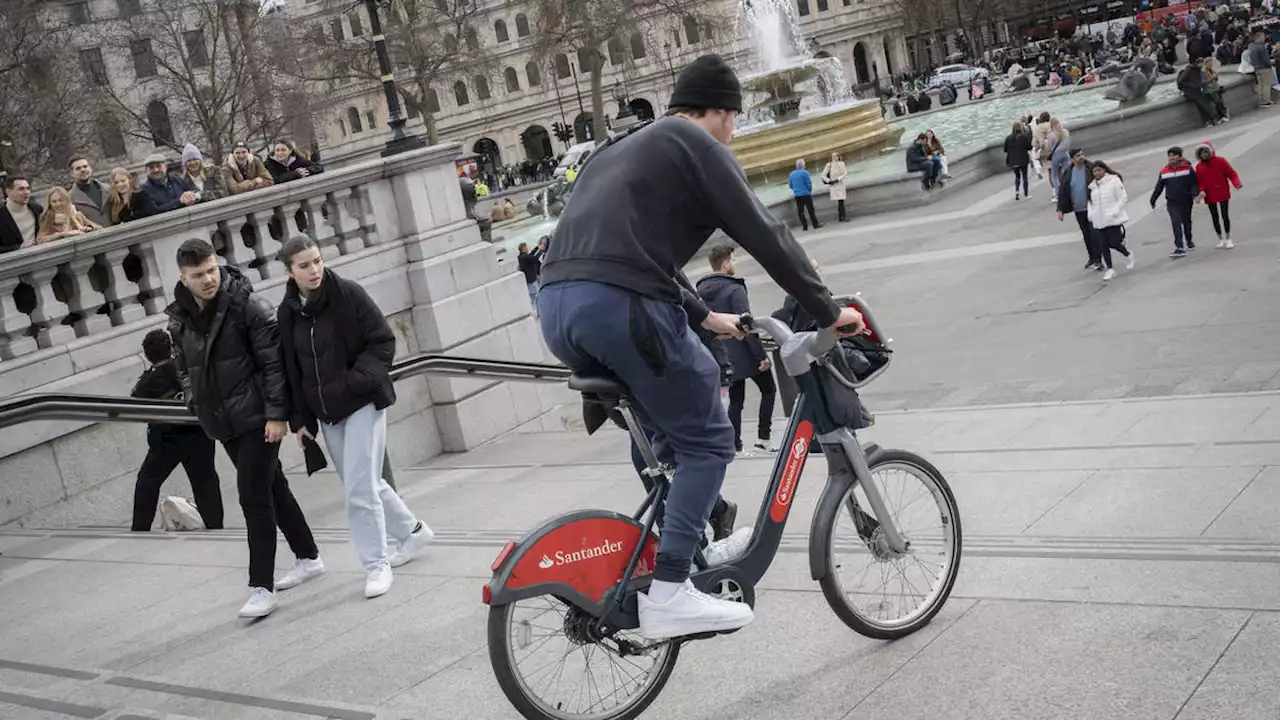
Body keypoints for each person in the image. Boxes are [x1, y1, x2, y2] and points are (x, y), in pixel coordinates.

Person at [535, 54, 865, 641]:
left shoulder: (619, 148)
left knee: (669, 442)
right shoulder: (696, 142)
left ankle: (692, 552)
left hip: (558, 309)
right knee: (712, 438)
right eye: (733, 120)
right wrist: (826, 310)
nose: (733, 134)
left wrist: (704, 314)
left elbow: (634, 250)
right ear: (716, 110)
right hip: (620, 308)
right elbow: (765, 232)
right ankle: (668, 592)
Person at [166, 239, 322, 619]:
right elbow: (184, 368)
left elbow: (274, 365)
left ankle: (261, 587)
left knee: (253, 496)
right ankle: (309, 556)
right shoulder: (179, 319)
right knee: (274, 488)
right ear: (183, 278)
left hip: (258, 418)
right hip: (223, 421)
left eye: (211, 271)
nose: (207, 280)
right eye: (197, 275)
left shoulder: (248, 305)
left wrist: (275, 414)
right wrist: (193, 399)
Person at [276, 237, 433, 600]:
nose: (314, 270)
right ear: (289, 271)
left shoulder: (347, 294)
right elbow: (291, 367)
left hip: (362, 403)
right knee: (366, 483)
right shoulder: (287, 311)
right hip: (328, 414)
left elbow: (382, 342)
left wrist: (354, 383)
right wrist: (300, 418)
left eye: (316, 261)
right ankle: (412, 533)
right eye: (304, 265)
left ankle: (376, 565)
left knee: (359, 490)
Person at [130, 329, 224, 532]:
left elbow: (135, 403)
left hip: (165, 441)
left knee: (148, 480)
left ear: (147, 355)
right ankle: (216, 526)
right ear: (171, 349)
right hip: (198, 435)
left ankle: (140, 528)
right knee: (205, 481)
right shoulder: (186, 370)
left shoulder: (147, 383)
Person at [695, 245, 778, 458]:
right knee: (768, 390)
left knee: (736, 400)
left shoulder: (700, 290)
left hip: (723, 352)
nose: (735, 263)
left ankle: (736, 445)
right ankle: (763, 439)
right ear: (725, 264)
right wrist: (761, 356)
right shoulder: (735, 289)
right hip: (745, 350)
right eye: (733, 260)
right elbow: (745, 324)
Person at [1150, 146, 1201, 259]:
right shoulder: (1164, 171)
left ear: (1180, 156)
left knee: (1186, 221)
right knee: (1176, 222)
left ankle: (1189, 240)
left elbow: (1194, 183)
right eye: (1169, 155)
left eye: (1174, 155)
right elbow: (1159, 187)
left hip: (1186, 200)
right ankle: (1179, 247)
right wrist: (1153, 199)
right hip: (1172, 202)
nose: (1171, 157)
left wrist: (1194, 195)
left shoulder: (1187, 169)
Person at [1087, 160, 1135, 281]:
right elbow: (1090, 202)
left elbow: (1123, 197)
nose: (1097, 173)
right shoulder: (1092, 186)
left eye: (1099, 170)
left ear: (1104, 170)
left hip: (1112, 218)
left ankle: (1128, 254)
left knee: (1114, 242)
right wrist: (1091, 214)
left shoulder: (1113, 181)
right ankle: (1110, 269)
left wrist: (1115, 211)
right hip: (1099, 219)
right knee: (1103, 245)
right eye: (1094, 171)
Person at [1056, 149, 1100, 269]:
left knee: (1094, 233)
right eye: (1078, 156)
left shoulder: (1090, 168)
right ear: (1072, 159)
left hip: (1091, 207)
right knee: (1086, 234)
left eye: (1082, 154)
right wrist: (1060, 209)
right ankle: (1092, 257)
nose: (1081, 157)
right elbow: (1063, 192)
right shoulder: (1068, 173)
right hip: (1078, 209)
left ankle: (1098, 259)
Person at [1193, 142, 1242, 249]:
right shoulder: (1199, 167)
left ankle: (1228, 238)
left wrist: (1236, 183)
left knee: (1225, 215)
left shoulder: (1220, 161)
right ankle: (1220, 239)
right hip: (1209, 194)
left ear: (1210, 151)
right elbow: (1200, 182)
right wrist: (1201, 191)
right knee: (1214, 216)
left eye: (1206, 151)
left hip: (1222, 191)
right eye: (1202, 152)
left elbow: (1231, 173)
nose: (1204, 154)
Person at [134, 154, 197, 218]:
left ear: (166, 167)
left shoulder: (177, 180)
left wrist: (191, 196)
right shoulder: (143, 190)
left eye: (159, 166)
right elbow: (154, 211)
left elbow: (193, 192)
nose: (156, 170)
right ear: (146, 171)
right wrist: (179, 201)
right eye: (151, 167)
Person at [0, 176, 41, 253]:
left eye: (28, 188)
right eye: (21, 189)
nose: (26, 192)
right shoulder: (2, 215)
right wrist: (19, 247)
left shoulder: (37, 209)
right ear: (8, 192)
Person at [1178, 58, 1222, 127]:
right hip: (1191, 91)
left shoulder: (1202, 69)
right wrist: (1194, 86)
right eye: (1202, 64)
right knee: (1202, 104)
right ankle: (1207, 121)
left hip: (1201, 89)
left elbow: (1210, 77)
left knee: (1210, 100)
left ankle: (1215, 118)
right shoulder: (1189, 70)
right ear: (1197, 64)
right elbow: (1181, 81)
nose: (1203, 66)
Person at [68, 156, 110, 226]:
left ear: (90, 168)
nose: (83, 170)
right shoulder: (70, 198)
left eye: (85, 166)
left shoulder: (108, 189)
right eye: (78, 168)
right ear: (72, 174)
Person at [1003, 121, 1033, 201]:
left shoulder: (1008, 138)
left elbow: (1005, 149)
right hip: (1023, 160)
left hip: (1013, 161)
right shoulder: (1024, 137)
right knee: (1025, 177)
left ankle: (1017, 192)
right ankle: (1026, 194)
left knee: (1017, 176)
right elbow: (1029, 147)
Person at [788, 159, 821, 230]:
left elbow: (790, 185)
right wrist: (809, 191)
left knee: (801, 212)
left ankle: (804, 226)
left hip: (797, 195)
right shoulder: (805, 173)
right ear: (803, 165)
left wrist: (796, 190)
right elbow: (809, 184)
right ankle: (815, 224)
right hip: (806, 194)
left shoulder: (791, 174)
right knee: (811, 210)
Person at [1247, 30, 1275, 108]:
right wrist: (1271, 64)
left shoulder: (1251, 47)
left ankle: (1261, 101)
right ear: (1258, 38)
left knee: (1260, 85)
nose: (1264, 39)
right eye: (1263, 37)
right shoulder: (1262, 47)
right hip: (1265, 68)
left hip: (1257, 68)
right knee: (1266, 84)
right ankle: (1266, 100)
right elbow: (1266, 60)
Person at [1046, 118, 1071, 202]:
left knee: (1054, 175)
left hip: (1056, 155)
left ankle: (1058, 194)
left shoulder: (1051, 135)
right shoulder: (1066, 132)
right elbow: (1068, 144)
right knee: (1067, 173)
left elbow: (1049, 148)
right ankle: (1070, 190)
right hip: (1065, 153)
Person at [821, 152, 848, 222]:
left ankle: (842, 216)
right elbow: (823, 175)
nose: (834, 158)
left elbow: (845, 173)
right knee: (840, 201)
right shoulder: (829, 165)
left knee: (841, 201)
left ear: (838, 157)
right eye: (833, 156)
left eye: (836, 156)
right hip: (834, 185)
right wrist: (829, 181)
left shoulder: (842, 163)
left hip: (840, 184)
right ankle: (842, 216)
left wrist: (838, 179)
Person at [516, 240, 543, 310]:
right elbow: (535, 258)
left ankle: (536, 310)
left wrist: (537, 247)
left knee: (533, 296)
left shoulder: (521, 257)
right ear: (524, 249)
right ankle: (537, 310)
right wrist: (541, 250)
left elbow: (531, 255)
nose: (527, 248)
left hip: (528, 280)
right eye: (526, 247)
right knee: (536, 296)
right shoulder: (525, 257)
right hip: (531, 281)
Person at [1031, 111, 1052, 180]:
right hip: (1056, 148)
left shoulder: (1038, 128)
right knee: (1059, 170)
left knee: (1051, 172)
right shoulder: (1052, 125)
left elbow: (1040, 143)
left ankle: (1055, 189)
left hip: (1046, 152)